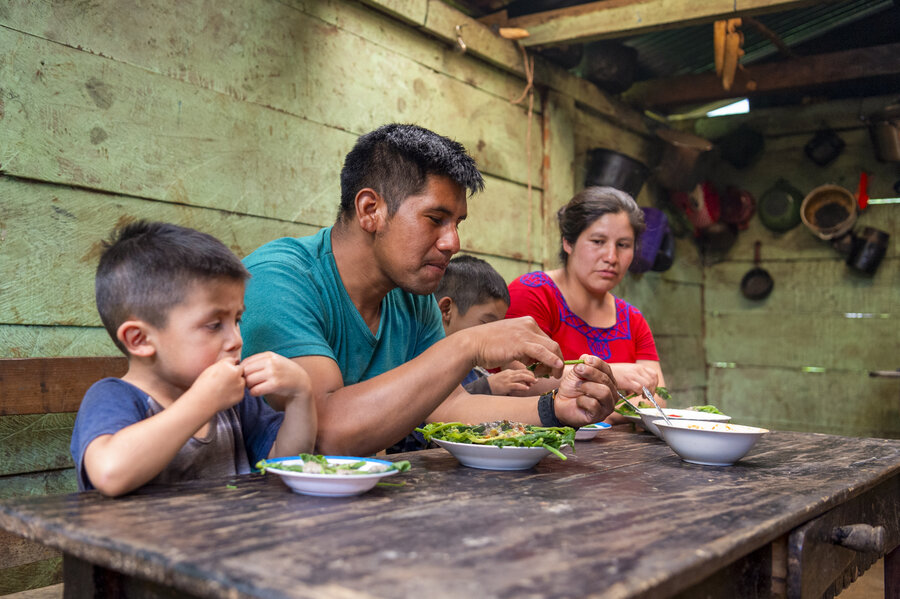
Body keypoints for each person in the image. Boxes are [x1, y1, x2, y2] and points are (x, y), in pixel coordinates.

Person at [240, 123, 617, 456]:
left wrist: (557, 408)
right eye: (435, 219)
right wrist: (470, 344)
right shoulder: (279, 279)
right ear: (371, 209)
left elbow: (448, 408)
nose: (453, 241)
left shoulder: (410, 293)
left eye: (457, 223)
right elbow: (327, 433)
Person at [70, 221, 317, 497]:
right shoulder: (113, 398)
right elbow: (109, 472)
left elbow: (286, 463)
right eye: (214, 325)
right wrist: (203, 401)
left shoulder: (234, 401)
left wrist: (300, 395)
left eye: (237, 320)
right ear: (139, 340)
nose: (237, 339)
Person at [505, 186, 667, 418]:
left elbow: (657, 399)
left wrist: (594, 408)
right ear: (568, 243)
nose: (611, 257)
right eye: (598, 241)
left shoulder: (633, 319)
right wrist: (611, 376)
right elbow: (518, 382)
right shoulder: (533, 293)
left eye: (623, 245)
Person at [433, 255, 537, 396]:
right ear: (446, 309)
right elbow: (433, 407)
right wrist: (487, 387)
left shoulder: (474, 372)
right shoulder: (423, 364)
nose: (495, 337)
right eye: (486, 323)